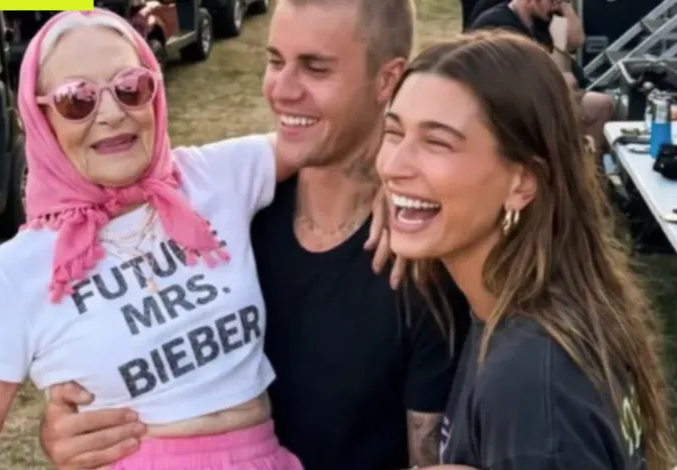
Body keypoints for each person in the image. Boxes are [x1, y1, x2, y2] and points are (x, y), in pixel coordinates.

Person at [0, 8, 381, 469]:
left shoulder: (214, 176)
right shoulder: (13, 274)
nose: (111, 114)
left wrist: (390, 183)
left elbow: (330, 137)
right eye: (76, 99)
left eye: (131, 87)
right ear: (40, 119)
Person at [35, 1, 471, 470]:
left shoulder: (417, 267)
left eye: (315, 68)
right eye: (276, 61)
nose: (282, 90)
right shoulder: (219, 212)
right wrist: (71, 430)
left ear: (387, 80)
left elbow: (430, 456)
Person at [377, 31, 674, 470]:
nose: (392, 166)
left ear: (523, 182)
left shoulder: (530, 385)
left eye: (437, 142)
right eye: (393, 132)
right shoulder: (546, 302)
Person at [469, 0, 615, 156]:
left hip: (540, 97)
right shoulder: (499, 27)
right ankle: (579, 165)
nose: (555, 5)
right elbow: (557, 80)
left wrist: (563, 6)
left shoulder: (540, 19)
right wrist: (559, 46)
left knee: (603, 106)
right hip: (517, 106)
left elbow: (576, 40)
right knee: (600, 105)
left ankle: (585, 164)